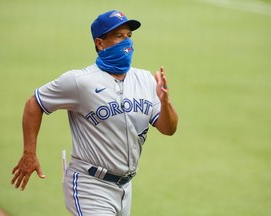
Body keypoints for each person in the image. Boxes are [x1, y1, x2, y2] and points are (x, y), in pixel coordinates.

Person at [11, 10, 178, 216]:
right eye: (119, 36)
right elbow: (34, 103)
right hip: (89, 186)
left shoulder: (145, 80)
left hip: (125, 188)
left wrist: (165, 102)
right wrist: (29, 152)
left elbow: (168, 129)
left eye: (129, 36)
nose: (127, 42)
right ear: (100, 43)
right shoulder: (80, 81)